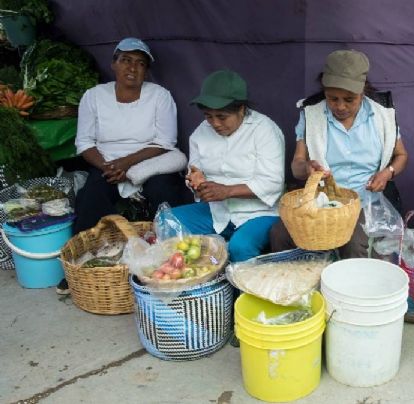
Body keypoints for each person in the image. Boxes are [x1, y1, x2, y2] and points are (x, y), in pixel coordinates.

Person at [63, 38, 188, 294]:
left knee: (165, 191)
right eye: (126, 60)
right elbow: (85, 142)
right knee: (91, 196)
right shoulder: (94, 96)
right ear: (113, 64)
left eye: (141, 63)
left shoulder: (159, 96)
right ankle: (79, 267)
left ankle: (172, 260)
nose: (133, 68)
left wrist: (127, 163)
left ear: (147, 70)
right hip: (106, 161)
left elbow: (165, 141)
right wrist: (108, 166)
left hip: (149, 160)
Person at [270, 49, 409, 258]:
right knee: (280, 234)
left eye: (349, 99)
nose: (340, 106)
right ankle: (293, 287)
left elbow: (401, 156)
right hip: (322, 199)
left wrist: (387, 173)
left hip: (363, 201)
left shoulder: (382, 116)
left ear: (362, 91)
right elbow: (297, 164)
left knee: (352, 242)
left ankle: (347, 290)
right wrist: (307, 168)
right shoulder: (312, 115)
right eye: (332, 98)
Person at [171, 70, 285, 262]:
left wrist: (227, 191)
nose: (214, 123)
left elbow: (273, 183)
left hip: (259, 212)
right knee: (169, 223)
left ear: (241, 109)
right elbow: (195, 170)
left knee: (240, 247)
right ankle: (195, 286)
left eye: (222, 117)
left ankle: (243, 292)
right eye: (208, 116)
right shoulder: (200, 133)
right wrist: (196, 181)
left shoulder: (264, 130)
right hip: (218, 211)